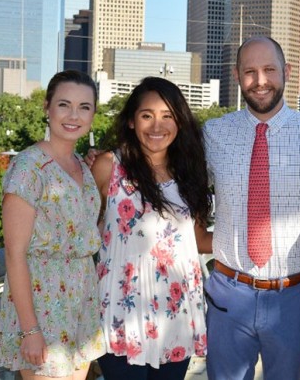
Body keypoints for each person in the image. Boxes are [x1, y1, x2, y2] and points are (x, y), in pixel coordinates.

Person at [202, 36, 300, 379]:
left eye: (269, 69)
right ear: (236, 75)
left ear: (287, 72)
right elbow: (175, 184)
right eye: (250, 71)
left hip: (294, 294)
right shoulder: (211, 134)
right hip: (228, 294)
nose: (260, 81)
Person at [90, 77, 211, 380]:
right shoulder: (108, 166)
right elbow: (85, 234)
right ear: (131, 121)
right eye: (147, 115)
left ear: (180, 122)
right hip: (120, 311)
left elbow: (197, 240)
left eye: (168, 115)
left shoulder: (190, 173)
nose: (157, 126)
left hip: (175, 312)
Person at [0, 70, 105, 379]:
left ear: (93, 114)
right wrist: (30, 329)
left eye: (84, 107)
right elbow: (14, 255)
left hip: (81, 300)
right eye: (64, 105)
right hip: (42, 305)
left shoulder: (82, 165)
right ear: (47, 108)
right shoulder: (28, 168)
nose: (74, 115)